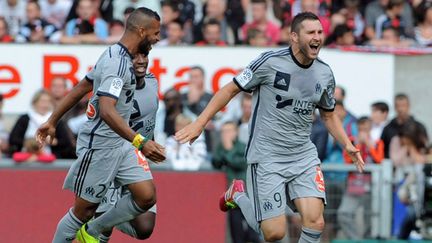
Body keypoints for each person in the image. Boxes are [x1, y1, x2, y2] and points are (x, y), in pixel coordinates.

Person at [175, 12, 365, 242]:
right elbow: (229, 90)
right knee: (274, 233)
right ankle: (239, 194)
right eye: (311, 32)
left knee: (316, 221)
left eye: (320, 32)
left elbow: (328, 115)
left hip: (302, 155)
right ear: (294, 36)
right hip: (267, 156)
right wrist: (199, 123)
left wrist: (347, 144)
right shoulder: (269, 62)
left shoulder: (324, 73)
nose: (317, 38)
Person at [36, 7, 164, 243]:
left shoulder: (115, 54)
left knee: (146, 197)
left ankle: (93, 231)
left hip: (122, 145)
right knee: (82, 211)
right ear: (141, 30)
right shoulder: (117, 64)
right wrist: (141, 142)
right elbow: (106, 110)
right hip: (100, 147)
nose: (157, 39)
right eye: (155, 33)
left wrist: (52, 120)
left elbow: (81, 87)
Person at [212, 121, 261, 243]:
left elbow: (240, 163)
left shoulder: (242, 147)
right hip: (232, 198)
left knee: (253, 234)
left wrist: (229, 150)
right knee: (236, 233)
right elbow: (216, 162)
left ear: (236, 132)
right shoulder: (221, 147)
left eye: (228, 131)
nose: (225, 135)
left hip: (247, 196)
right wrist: (224, 149)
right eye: (223, 132)